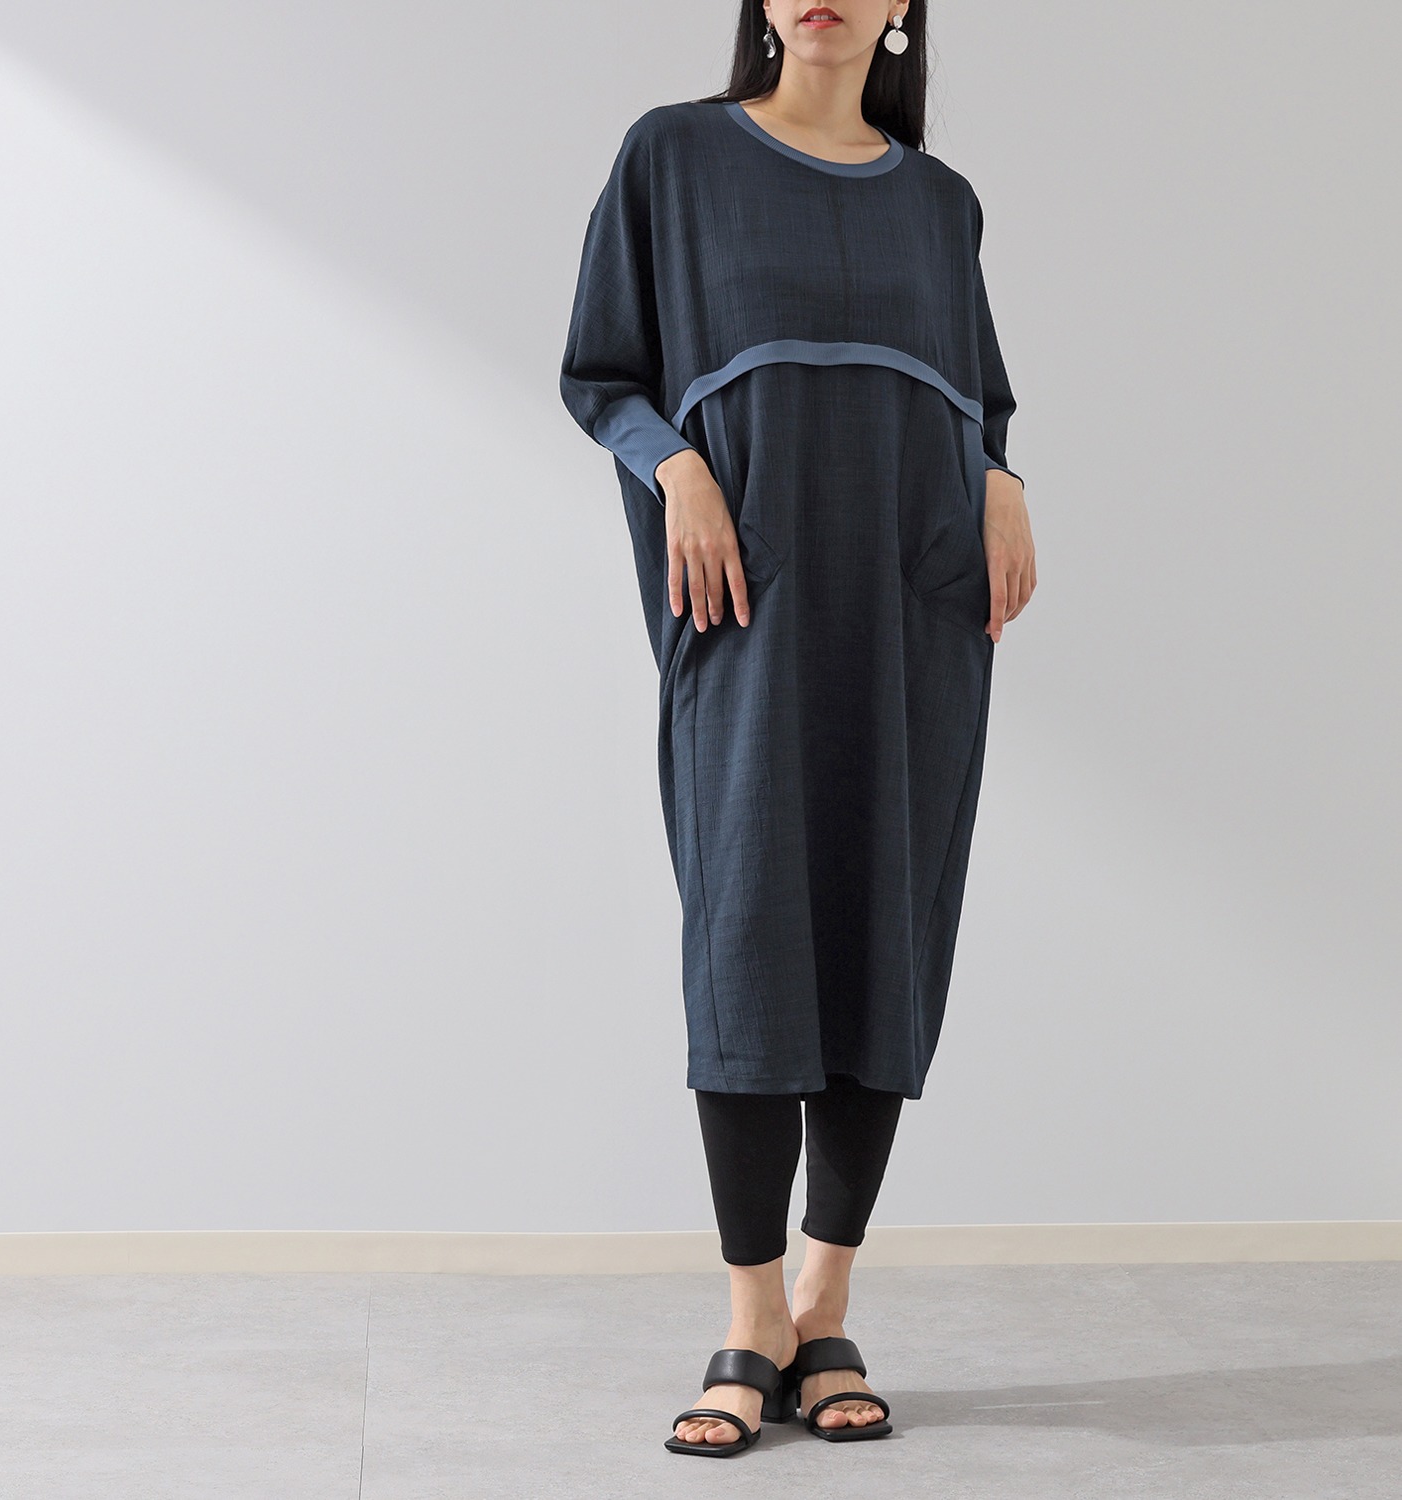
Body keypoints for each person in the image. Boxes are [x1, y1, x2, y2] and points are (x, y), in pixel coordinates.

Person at [559, 0, 1037, 1458]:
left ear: (902, 11)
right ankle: (749, 1314)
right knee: (752, 933)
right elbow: (601, 375)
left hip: (917, 602)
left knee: (886, 927)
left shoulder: (940, 202)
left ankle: (825, 1306)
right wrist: (679, 471)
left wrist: (1004, 479)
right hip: (751, 597)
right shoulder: (675, 157)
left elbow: (981, 397)